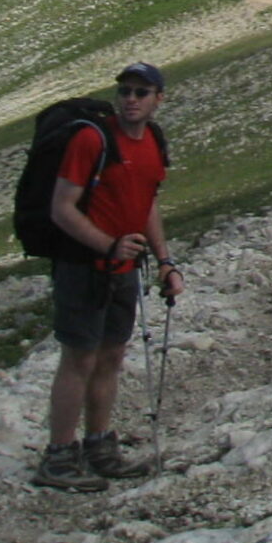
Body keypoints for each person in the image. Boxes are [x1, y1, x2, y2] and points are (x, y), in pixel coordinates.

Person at [34, 62, 184, 492]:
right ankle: (58, 457)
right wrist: (107, 246)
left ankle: (99, 447)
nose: (130, 99)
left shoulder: (153, 141)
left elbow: (147, 203)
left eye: (141, 92)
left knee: (111, 357)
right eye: (125, 91)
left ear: (159, 99)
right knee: (79, 357)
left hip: (125, 268)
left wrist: (165, 260)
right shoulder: (91, 139)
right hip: (84, 266)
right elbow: (61, 208)